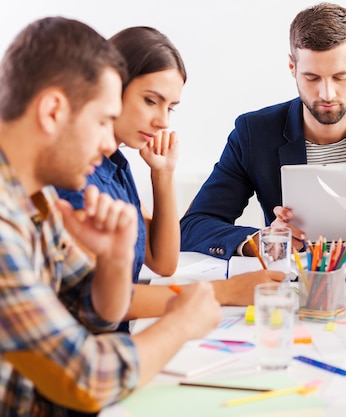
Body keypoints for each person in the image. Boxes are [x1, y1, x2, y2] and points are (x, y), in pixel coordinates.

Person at [0, 17, 221, 416]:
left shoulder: (36, 201)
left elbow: (90, 307)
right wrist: (180, 323)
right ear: (53, 112)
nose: (108, 143)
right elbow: (87, 377)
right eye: (103, 121)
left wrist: (116, 261)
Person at [180, 2, 346, 266]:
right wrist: (259, 241)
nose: (327, 94)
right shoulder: (254, 132)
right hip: (291, 283)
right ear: (292, 66)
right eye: (312, 78)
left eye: (340, 77)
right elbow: (194, 225)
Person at [56, 26, 283, 318]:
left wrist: (162, 173)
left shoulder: (115, 166)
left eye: (171, 107)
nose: (162, 121)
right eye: (151, 101)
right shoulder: (75, 175)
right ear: (112, 87)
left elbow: (163, 262)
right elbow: (95, 300)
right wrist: (226, 292)